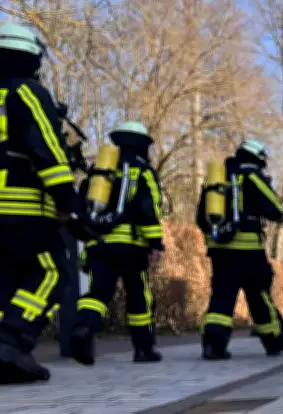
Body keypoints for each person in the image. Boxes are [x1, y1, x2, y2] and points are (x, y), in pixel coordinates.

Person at [0, 23, 96, 383]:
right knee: (51, 272)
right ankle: (10, 342)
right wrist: (70, 203)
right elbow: (46, 150)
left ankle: (11, 361)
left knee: (6, 284)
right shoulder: (27, 92)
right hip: (22, 210)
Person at [70, 121, 166, 365]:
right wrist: (155, 242)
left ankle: (83, 328)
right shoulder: (142, 170)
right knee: (138, 296)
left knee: (98, 292)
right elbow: (148, 209)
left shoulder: (99, 169)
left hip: (98, 244)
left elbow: (81, 206)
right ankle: (144, 349)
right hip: (131, 246)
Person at [196, 140, 283, 359]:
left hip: (220, 252)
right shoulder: (252, 177)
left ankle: (213, 345)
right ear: (258, 158)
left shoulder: (216, 180)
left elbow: (201, 217)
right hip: (250, 252)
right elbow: (276, 209)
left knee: (221, 297)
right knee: (259, 297)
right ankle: (275, 340)